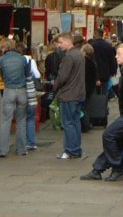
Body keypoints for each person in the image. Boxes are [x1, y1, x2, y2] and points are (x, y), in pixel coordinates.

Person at [81, 42, 123, 182]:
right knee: (116, 140)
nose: (116, 56)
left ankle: (118, 168)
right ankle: (97, 169)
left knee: (109, 134)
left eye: (119, 54)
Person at [53, 32, 86, 160]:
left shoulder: (68, 57)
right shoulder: (79, 54)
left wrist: (54, 89)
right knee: (75, 122)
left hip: (68, 94)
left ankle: (70, 150)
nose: (59, 45)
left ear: (68, 42)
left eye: (61, 42)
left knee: (68, 123)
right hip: (79, 93)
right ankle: (76, 149)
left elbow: (62, 77)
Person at [0, 37, 28, 157]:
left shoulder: (1, 60)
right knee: (21, 120)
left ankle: (3, 150)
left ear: (4, 47)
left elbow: (1, 75)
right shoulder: (22, 59)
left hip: (9, 90)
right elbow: (26, 73)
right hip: (21, 90)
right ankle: (21, 149)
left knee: (6, 121)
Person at [23, 51, 42, 151]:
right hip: (30, 92)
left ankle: (21, 143)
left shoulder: (13, 61)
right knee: (30, 118)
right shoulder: (30, 61)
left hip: (18, 92)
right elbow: (37, 75)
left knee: (20, 119)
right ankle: (31, 142)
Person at [90, 30, 117, 98]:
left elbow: (91, 60)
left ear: (96, 34)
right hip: (106, 72)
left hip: (94, 73)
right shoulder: (108, 45)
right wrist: (113, 71)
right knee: (105, 91)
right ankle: (103, 105)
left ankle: (96, 105)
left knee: (95, 93)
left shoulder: (92, 46)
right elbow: (112, 59)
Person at [81, 42, 97, 132]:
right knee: (85, 106)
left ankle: (86, 125)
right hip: (90, 87)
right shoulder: (92, 63)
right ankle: (86, 124)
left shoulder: (83, 62)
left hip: (83, 87)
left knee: (82, 107)